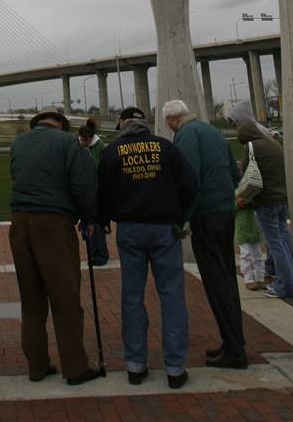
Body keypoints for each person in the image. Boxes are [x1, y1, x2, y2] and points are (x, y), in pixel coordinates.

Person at [97, 105, 197, 388]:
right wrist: (180, 216)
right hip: (164, 228)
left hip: (129, 230)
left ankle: (135, 365)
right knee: (172, 296)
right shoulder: (166, 148)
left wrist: (104, 219)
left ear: (122, 124)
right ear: (146, 124)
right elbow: (191, 185)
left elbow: (102, 192)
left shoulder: (112, 151)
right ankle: (175, 368)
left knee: (132, 297)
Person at [9, 110, 101, 385]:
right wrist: (89, 218)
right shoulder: (68, 142)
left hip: (19, 223)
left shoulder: (18, 144)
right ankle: (75, 368)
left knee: (31, 300)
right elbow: (83, 184)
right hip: (53, 223)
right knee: (65, 297)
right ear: (60, 125)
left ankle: (37, 366)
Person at [164, 99, 248, 369]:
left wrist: (179, 220)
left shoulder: (186, 136)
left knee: (216, 283)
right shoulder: (212, 131)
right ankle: (234, 341)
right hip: (225, 213)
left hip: (206, 217)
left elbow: (188, 181)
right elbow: (235, 174)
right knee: (227, 278)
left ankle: (235, 351)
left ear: (171, 121)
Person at [234, 120, 293, 302]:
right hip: (281, 200)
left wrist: (243, 197)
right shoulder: (274, 144)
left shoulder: (251, 147)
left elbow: (248, 175)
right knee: (283, 240)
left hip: (265, 202)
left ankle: (285, 286)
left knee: (275, 244)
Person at [78, 118, 110, 266]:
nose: (81, 142)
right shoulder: (83, 148)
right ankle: (93, 255)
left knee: (98, 226)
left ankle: (101, 255)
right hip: (88, 194)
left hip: (98, 194)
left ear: (89, 138)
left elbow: (101, 170)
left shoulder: (100, 148)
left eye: (83, 140)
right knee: (88, 225)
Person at [235, 205, 267, 290]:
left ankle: (260, 278)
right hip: (242, 229)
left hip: (255, 228)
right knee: (246, 254)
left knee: (258, 255)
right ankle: (248, 279)